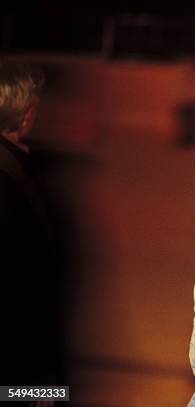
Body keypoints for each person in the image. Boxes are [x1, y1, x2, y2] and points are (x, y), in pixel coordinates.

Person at [0, 61, 61, 398]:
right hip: (17, 371)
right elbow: (24, 295)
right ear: (24, 116)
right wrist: (40, 389)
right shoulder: (12, 180)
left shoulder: (19, 169)